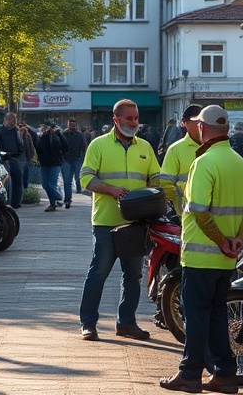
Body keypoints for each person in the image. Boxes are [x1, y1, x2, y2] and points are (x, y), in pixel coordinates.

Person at [159, 105, 243, 394]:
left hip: (201, 256)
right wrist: (237, 240)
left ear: (202, 128)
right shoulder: (240, 163)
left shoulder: (203, 162)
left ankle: (190, 373)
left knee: (197, 314)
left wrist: (220, 241)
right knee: (216, 314)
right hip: (226, 260)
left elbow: (199, 211)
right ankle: (225, 374)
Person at [78, 99, 160, 342]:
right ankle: (88, 323)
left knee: (133, 274)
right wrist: (110, 189)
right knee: (99, 272)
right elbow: (85, 179)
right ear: (116, 120)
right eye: (129, 118)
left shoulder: (144, 146)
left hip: (136, 224)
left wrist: (154, 192)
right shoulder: (98, 145)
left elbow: (155, 177)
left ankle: (126, 323)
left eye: (136, 118)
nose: (134, 123)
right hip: (106, 222)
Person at [158, 104, 203, 215]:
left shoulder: (214, 147)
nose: (201, 126)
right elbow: (166, 184)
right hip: (186, 216)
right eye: (196, 122)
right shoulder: (176, 150)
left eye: (203, 122)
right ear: (184, 123)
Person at [0, 113, 24, 208]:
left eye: (13, 120)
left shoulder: (16, 131)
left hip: (13, 157)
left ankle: (16, 202)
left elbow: (20, 145)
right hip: (0, 159)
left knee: (17, 176)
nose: (11, 122)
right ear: (5, 120)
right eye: (9, 120)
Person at [35, 121, 68, 212]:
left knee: (52, 184)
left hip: (55, 163)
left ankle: (53, 203)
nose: (45, 129)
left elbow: (65, 148)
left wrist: (58, 135)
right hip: (44, 163)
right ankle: (58, 198)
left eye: (46, 127)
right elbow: (39, 148)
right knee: (45, 184)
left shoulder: (58, 135)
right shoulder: (42, 137)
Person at [61, 118, 87, 205]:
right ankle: (67, 199)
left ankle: (79, 189)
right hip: (66, 160)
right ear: (68, 125)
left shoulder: (79, 135)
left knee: (78, 177)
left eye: (74, 125)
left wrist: (83, 158)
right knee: (67, 181)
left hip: (77, 159)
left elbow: (83, 147)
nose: (72, 127)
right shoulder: (64, 134)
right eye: (71, 125)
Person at [17, 120, 39, 192]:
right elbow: (32, 147)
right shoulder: (28, 135)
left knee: (21, 177)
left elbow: (31, 147)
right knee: (25, 176)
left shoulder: (19, 134)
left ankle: (22, 191)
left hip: (22, 159)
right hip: (25, 158)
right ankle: (24, 191)